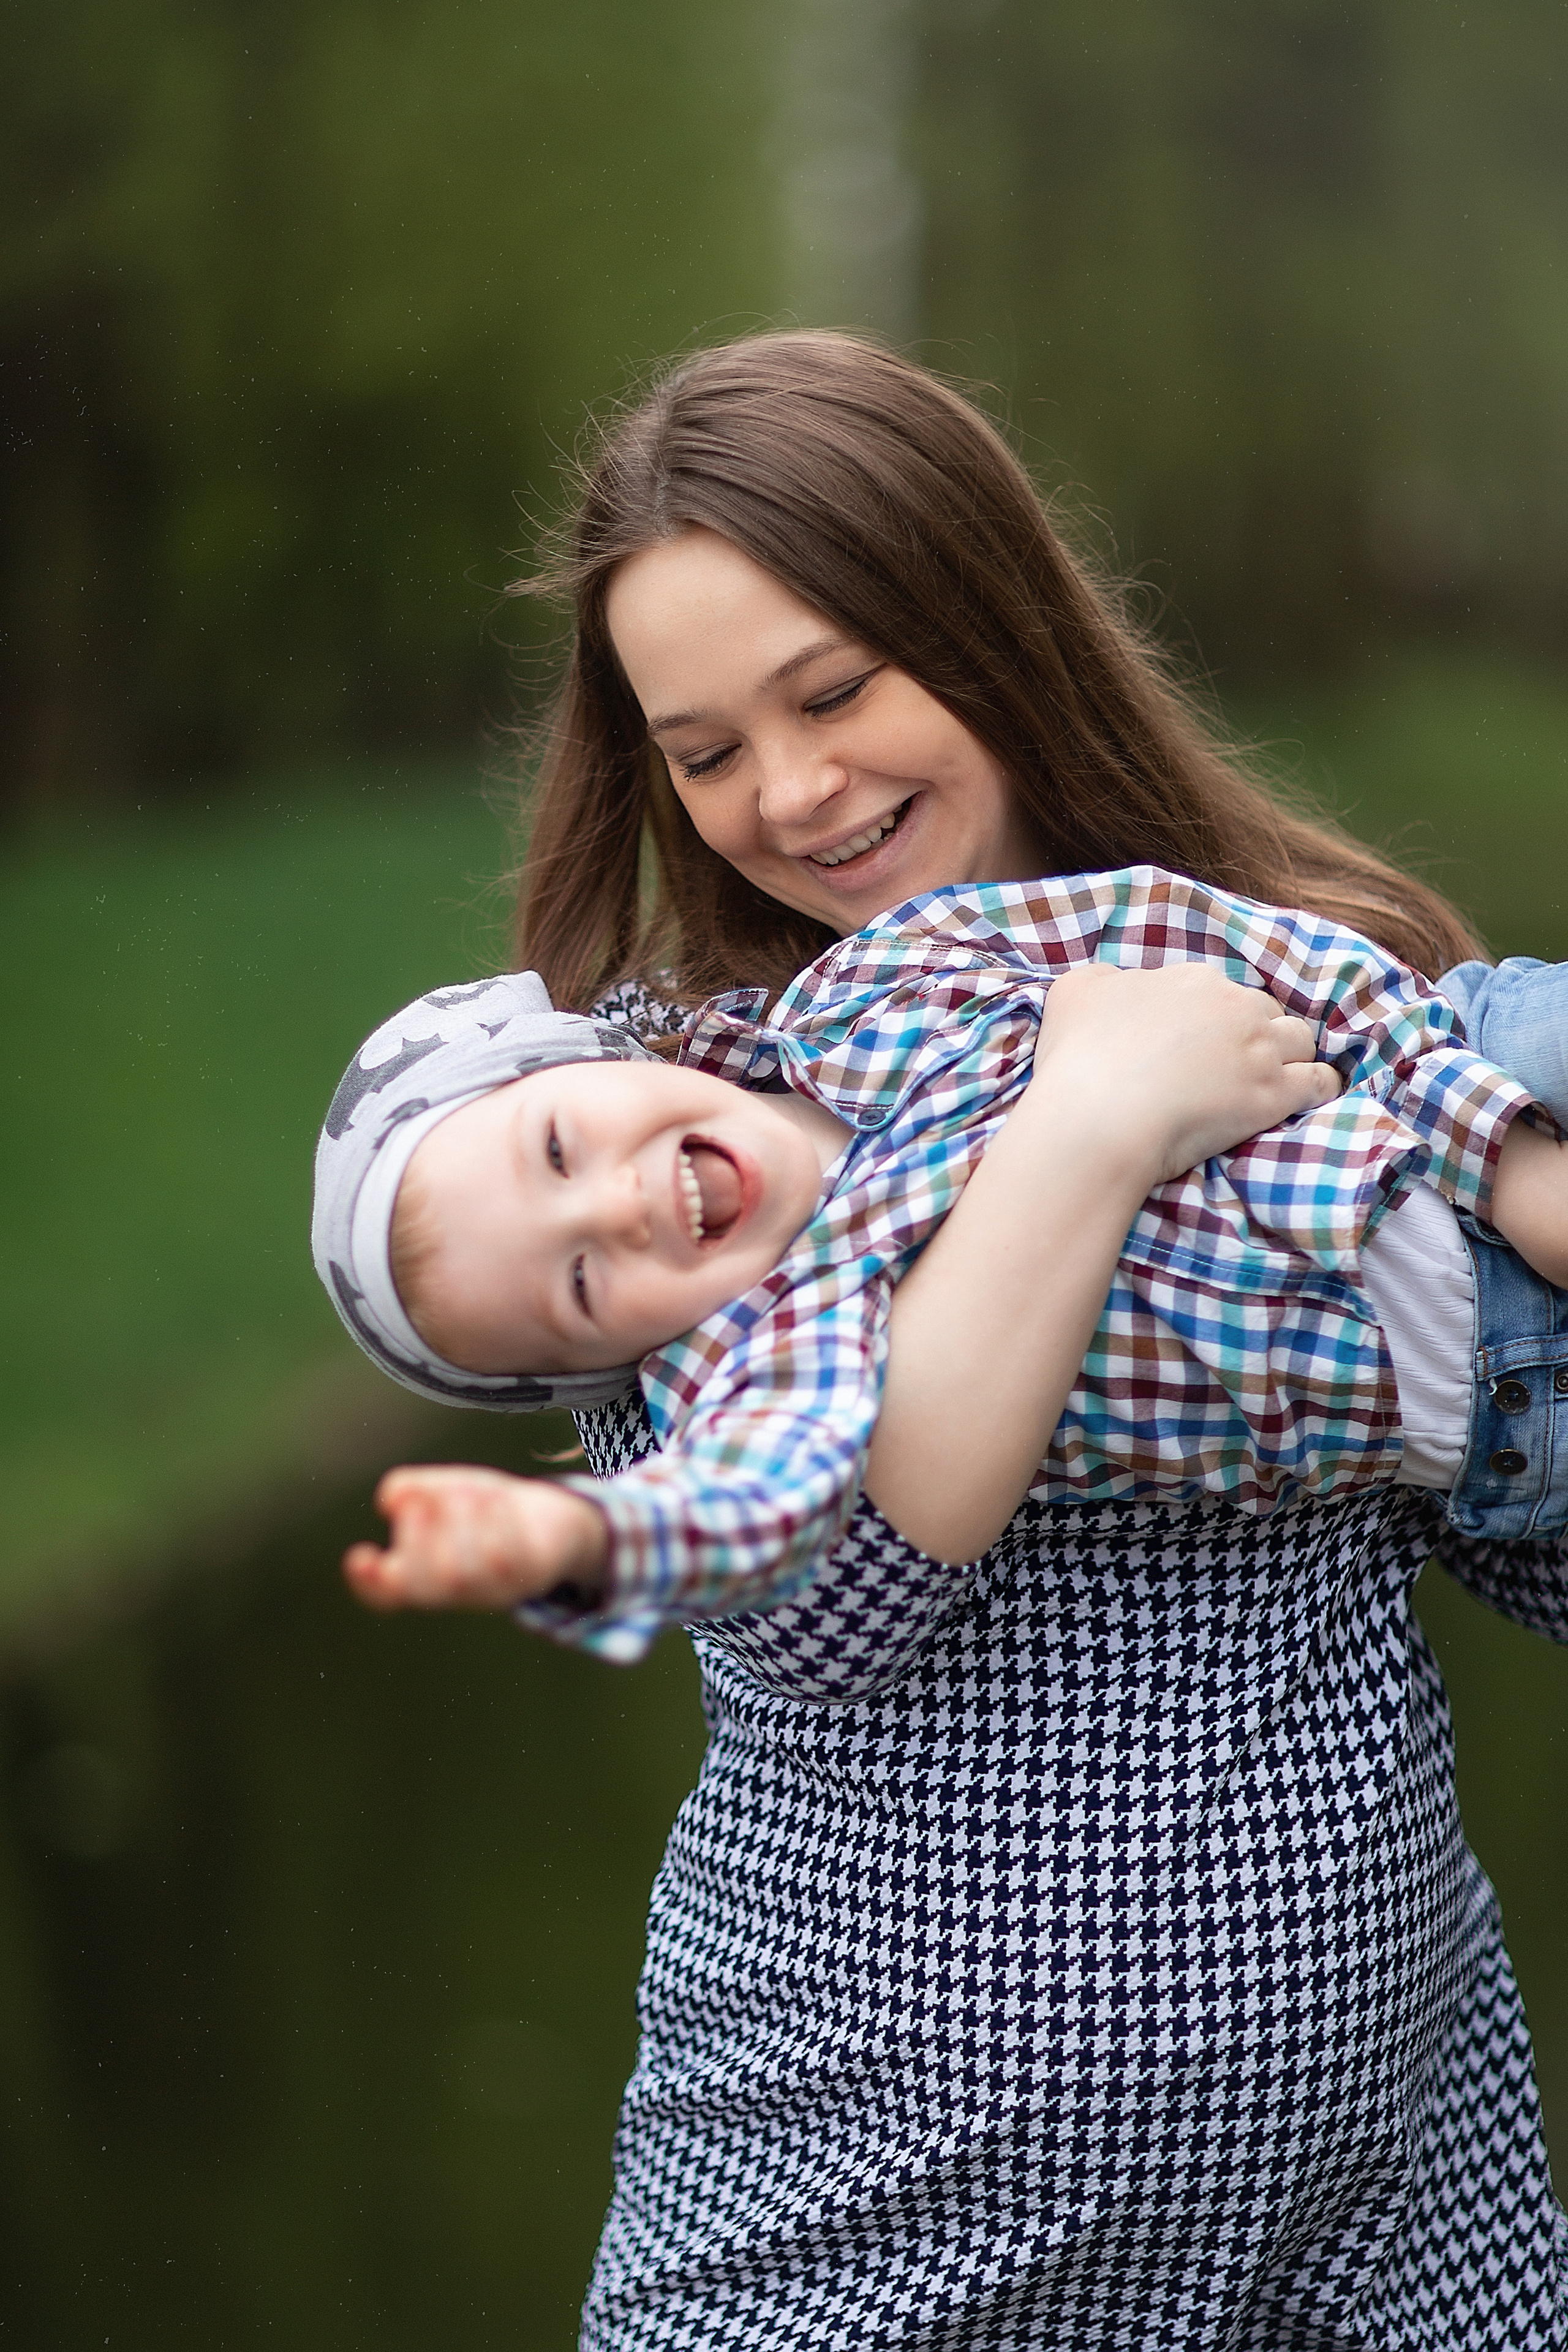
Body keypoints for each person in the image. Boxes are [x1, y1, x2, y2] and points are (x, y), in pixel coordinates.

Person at [372, 333, 1568, 2343]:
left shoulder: (1301, 971)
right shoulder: (709, 1126)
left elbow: (1511, 1513)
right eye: (706, 748)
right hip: (873, 2215)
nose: (796, 791)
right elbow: (822, 1595)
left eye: (835, 690)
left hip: (1377, 2199)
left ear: (994, 623)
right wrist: (1096, 1127)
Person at [318, 869, 1568, 1653]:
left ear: (594, 1055)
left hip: (1478, 1073)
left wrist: (1499, 1154)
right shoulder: (771, 1352)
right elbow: (751, 1514)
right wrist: (580, 1541)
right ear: (619, 1365)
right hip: (1513, 1422)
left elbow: (1230, 943)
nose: (620, 1206)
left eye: (557, 1147)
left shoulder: (884, 982)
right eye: (580, 1283)